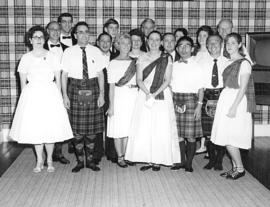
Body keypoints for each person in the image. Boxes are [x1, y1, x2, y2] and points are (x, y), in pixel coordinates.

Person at [9, 25, 73, 173]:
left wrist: (59, 98)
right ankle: (39, 160)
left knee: (49, 128)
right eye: (35, 37)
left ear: (44, 39)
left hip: (50, 95)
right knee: (36, 129)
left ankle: (49, 159)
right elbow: (23, 84)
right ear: (30, 40)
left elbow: (58, 79)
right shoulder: (25, 58)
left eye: (41, 37)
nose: (38, 39)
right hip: (32, 96)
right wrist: (25, 102)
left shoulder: (52, 56)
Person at [125, 31, 180, 171]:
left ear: (161, 42)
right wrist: (148, 93)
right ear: (147, 41)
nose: (154, 42)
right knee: (145, 126)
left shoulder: (166, 57)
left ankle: (158, 159)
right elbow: (139, 80)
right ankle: (148, 159)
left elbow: (167, 80)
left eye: (157, 40)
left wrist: (155, 93)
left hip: (161, 93)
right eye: (151, 39)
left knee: (160, 127)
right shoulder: (141, 57)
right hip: (145, 93)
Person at [61, 21, 107, 173]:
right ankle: (80, 161)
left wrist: (102, 94)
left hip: (93, 89)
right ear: (75, 35)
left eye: (86, 31)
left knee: (92, 130)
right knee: (77, 130)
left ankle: (91, 161)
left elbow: (100, 74)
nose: (84, 34)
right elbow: (64, 75)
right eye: (80, 32)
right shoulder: (68, 52)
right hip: (75, 89)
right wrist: (65, 95)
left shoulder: (96, 51)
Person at [211, 33, 256, 180]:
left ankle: (240, 168)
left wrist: (234, 106)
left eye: (232, 43)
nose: (229, 46)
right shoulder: (228, 61)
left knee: (231, 137)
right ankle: (235, 167)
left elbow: (243, 88)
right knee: (225, 135)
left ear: (239, 45)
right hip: (226, 97)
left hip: (237, 100)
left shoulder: (244, 63)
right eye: (227, 43)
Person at [170, 36, 204, 172]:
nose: (184, 49)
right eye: (181, 46)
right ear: (177, 49)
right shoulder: (173, 65)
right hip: (175, 99)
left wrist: (199, 106)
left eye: (187, 46)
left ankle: (189, 163)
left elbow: (201, 88)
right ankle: (181, 161)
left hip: (191, 100)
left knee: (190, 135)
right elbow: (170, 85)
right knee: (178, 134)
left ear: (192, 48)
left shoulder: (197, 65)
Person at [106, 34, 138, 168]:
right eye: (123, 43)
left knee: (129, 128)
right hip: (119, 97)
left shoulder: (136, 61)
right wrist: (111, 106)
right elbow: (111, 87)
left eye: (128, 43)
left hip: (133, 97)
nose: (126, 46)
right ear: (117, 45)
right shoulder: (112, 63)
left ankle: (127, 155)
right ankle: (120, 156)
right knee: (118, 129)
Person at [200, 34, 230, 170]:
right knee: (208, 132)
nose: (213, 46)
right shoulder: (201, 62)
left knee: (221, 129)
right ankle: (211, 159)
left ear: (221, 44)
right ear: (207, 46)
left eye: (216, 43)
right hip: (206, 95)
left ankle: (219, 161)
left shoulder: (228, 62)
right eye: (210, 43)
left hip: (222, 95)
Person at [44, 21, 70, 165]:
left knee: (60, 119)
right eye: (52, 29)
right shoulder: (40, 48)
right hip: (46, 88)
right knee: (46, 119)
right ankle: (45, 153)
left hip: (63, 87)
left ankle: (58, 153)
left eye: (57, 29)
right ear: (47, 30)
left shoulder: (67, 49)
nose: (55, 32)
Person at [193, 25, 214, 155]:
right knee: (199, 117)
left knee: (208, 118)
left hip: (207, 89)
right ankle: (202, 144)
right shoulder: (194, 52)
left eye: (204, 36)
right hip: (195, 88)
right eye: (199, 35)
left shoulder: (211, 52)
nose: (201, 38)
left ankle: (208, 147)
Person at [93, 32, 112, 165]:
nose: (105, 44)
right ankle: (97, 153)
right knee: (98, 126)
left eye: (108, 41)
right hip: (98, 94)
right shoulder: (92, 56)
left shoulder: (117, 57)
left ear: (111, 43)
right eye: (102, 41)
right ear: (98, 42)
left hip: (113, 95)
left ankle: (112, 152)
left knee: (111, 124)